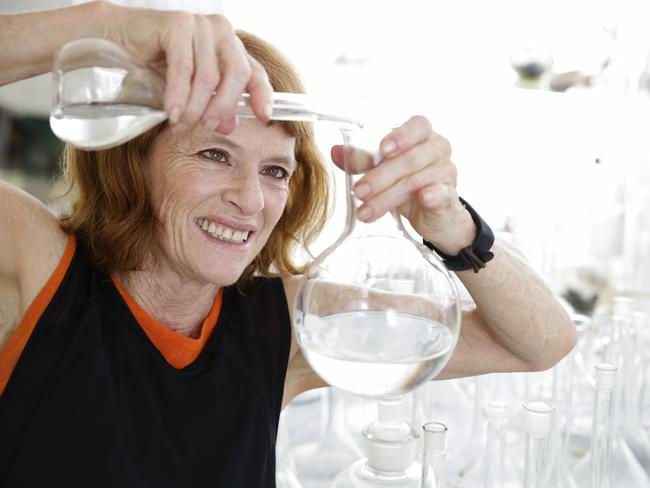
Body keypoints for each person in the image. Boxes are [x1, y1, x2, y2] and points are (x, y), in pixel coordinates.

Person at [0, 1, 576, 486]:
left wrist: (454, 228)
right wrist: (107, 27)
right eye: (214, 154)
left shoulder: (283, 322)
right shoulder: (38, 267)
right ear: (133, 159)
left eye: (275, 170)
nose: (250, 200)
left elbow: (541, 343)